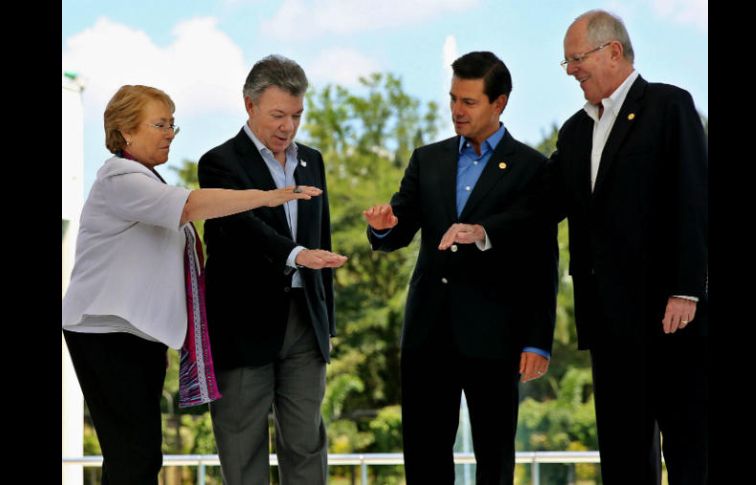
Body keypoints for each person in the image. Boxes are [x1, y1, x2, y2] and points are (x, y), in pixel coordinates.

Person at [61, 84, 321, 485]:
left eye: (173, 125)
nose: (169, 133)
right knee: (136, 456)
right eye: (160, 124)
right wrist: (269, 197)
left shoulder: (148, 182)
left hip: (133, 335)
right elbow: (191, 206)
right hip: (106, 332)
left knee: (135, 455)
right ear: (126, 131)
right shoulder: (122, 177)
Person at [363, 51, 558, 484]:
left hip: (497, 338)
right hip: (427, 334)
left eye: (468, 102)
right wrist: (382, 228)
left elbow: (542, 261)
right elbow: (398, 229)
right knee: (424, 455)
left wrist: (537, 341)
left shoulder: (532, 169)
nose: (456, 110)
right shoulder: (426, 159)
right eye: (453, 98)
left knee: (494, 456)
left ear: (499, 103)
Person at [544, 10, 708, 484]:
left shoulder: (669, 106)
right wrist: (482, 226)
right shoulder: (575, 132)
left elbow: (694, 198)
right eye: (567, 63)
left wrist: (686, 289)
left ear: (613, 51)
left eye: (577, 59)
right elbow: (540, 203)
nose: (571, 70)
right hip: (608, 323)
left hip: (672, 315)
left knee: (688, 448)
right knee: (623, 456)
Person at [198, 54, 347, 485]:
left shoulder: (311, 161)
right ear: (249, 105)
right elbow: (244, 229)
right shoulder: (219, 163)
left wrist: (327, 324)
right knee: (242, 445)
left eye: (297, 116)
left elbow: (324, 240)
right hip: (243, 326)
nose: (288, 126)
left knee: (306, 442)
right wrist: (296, 254)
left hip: (305, 321)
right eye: (278, 114)